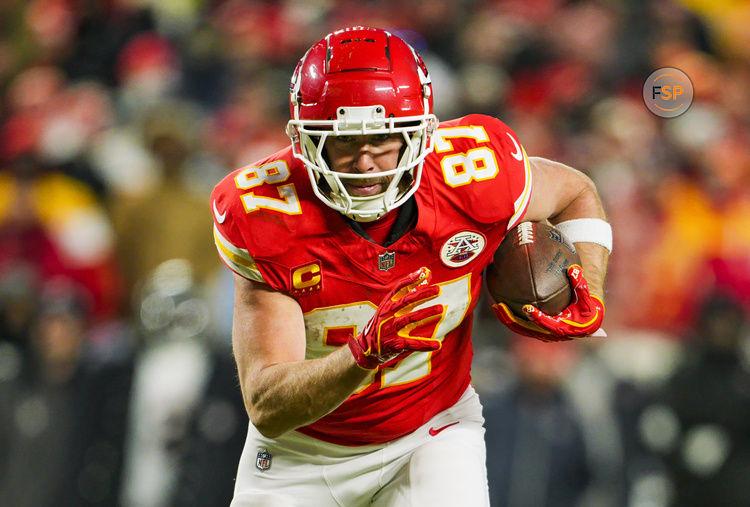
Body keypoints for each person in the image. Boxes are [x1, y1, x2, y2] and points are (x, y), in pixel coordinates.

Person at [210, 26, 611, 506]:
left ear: (421, 133)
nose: (364, 162)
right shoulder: (265, 215)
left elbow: (576, 190)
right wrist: (361, 354)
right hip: (303, 450)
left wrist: (592, 290)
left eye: (382, 138)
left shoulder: (476, 174)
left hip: (431, 430)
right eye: (343, 142)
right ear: (303, 139)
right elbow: (267, 404)